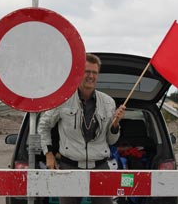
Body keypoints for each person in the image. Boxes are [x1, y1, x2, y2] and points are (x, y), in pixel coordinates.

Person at [37, 53, 126, 204]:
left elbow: (111, 140)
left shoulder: (108, 102)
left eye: (95, 72)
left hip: (100, 166)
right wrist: (49, 154)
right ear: (79, 73)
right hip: (69, 166)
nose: (91, 76)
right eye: (87, 71)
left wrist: (115, 124)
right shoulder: (63, 99)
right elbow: (43, 125)